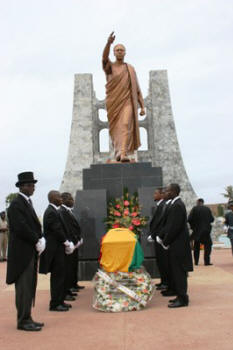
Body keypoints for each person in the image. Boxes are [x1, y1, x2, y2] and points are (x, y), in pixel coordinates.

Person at [6, 172, 45, 331]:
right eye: (30, 185)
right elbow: (22, 227)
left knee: (29, 286)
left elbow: (33, 225)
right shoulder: (16, 204)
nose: (33, 187)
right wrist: (36, 239)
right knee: (23, 288)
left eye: (33, 185)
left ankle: (27, 317)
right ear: (22, 187)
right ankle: (23, 320)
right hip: (22, 254)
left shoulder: (27, 203)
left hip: (29, 252)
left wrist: (41, 237)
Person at [102, 31, 145, 162]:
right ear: (114, 53)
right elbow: (104, 58)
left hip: (127, 102)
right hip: (113, 103)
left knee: (126, 124)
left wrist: (142, 106)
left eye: (122, 50)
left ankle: (123, 153)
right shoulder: (109, 67)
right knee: (116, 130)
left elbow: (136, 89)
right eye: (117, 50)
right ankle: (118, 151)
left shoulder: (130, 69)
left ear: (125, 53)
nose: (120, 52)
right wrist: (108, 43)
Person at [157, 184, 193, 308]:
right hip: (175, 244)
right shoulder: (174, 204)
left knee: (179, 272)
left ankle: (183, 299)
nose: (165, 193)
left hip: (179, 245)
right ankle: (179, 295)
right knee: (176, 272)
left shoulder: (177, 205)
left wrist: (165, 241)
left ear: (173, 192)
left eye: (167, 191)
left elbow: (174, 227)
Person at [39, 190, 74, 311]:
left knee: (61, 276)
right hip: (55, 250)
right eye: (59, 197)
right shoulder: (51, 212)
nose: (61, 199)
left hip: (59, 249)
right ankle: (54, 304)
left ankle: (60, 300)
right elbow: (57, 230)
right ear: (53, 198)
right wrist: (66, 242)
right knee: (57, 277)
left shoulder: (55, 211)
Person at [59, 192, 84, 294]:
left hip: (74, 243)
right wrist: (73, 241)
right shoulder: (63, 211)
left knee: (73, 265)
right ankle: (69, 287)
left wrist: (78, 240)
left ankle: (74, 284)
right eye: (70, 199)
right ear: (64, 200)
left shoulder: (68, 211)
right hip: (70, 244)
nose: (73, 201)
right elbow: (68, 229)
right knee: (69, 267)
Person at [147, 188, 168, 290]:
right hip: (157, 237)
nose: (154, 195)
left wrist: (156, 235)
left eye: (156, 193)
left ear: (162, 194)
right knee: (160, 261)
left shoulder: (163, 205)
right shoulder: (160, 205)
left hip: (161, 238)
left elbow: (161, 224)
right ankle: (163, 281)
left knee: (164, 261)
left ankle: (166, 282)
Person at [188, 198, 214, 266]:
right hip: (206, 231)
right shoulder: (207, 209)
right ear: (203, 202)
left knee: (196, 247)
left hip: (197, 231)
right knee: (208, 246)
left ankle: (196, 262)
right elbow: (212, 219)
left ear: (199, 202)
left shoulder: (194, 209)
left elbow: (189, 219)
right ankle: (207, 261)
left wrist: (193, 226)